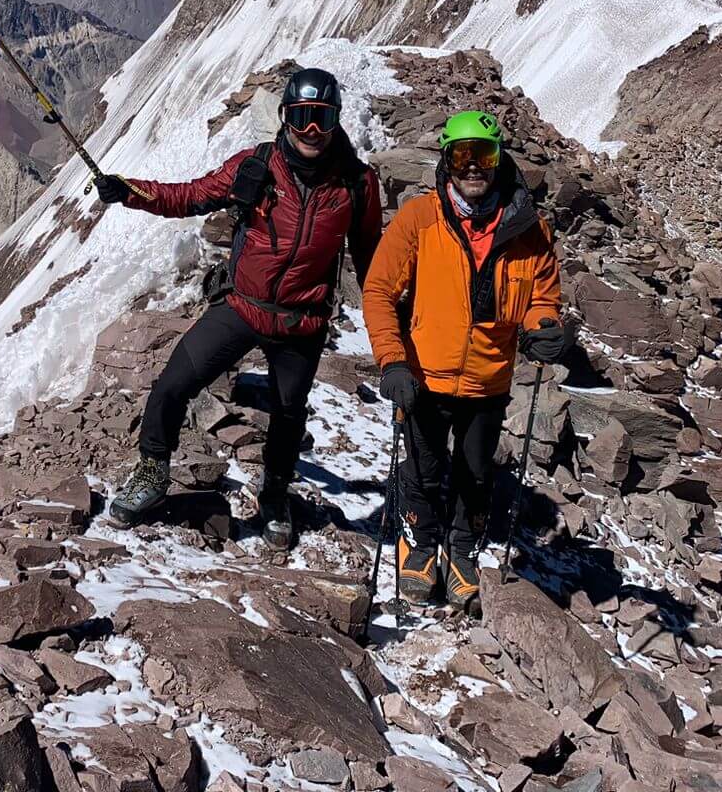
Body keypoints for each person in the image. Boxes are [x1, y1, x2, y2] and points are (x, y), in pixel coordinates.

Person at [94, 68, 383, 549]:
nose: (312, 130)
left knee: (289, 417)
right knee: (172, 385)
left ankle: (274, 494)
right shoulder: (257, 166)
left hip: (301, 322)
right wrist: (129, 191)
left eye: (322, 118)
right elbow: (190, 196)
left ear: (336, 122)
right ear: (286, 118)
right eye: (302, 117)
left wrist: (397, 335)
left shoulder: (356, 184)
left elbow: (374, 258)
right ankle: (151, 470)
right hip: (244, 307)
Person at [361, 110, 564, 606]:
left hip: (488, 380)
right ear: (446, 160)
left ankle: (462, 547)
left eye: (484, 155)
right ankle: (420, 543)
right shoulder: (419, 219)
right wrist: (392, 361)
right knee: (424, 469)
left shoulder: (527, 230)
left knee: (475, 473)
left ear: (499, 161)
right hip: (423, 376)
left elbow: (542, 296)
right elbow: (379, 291)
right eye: (461, 155)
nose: (473, 167)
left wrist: (543, 327)